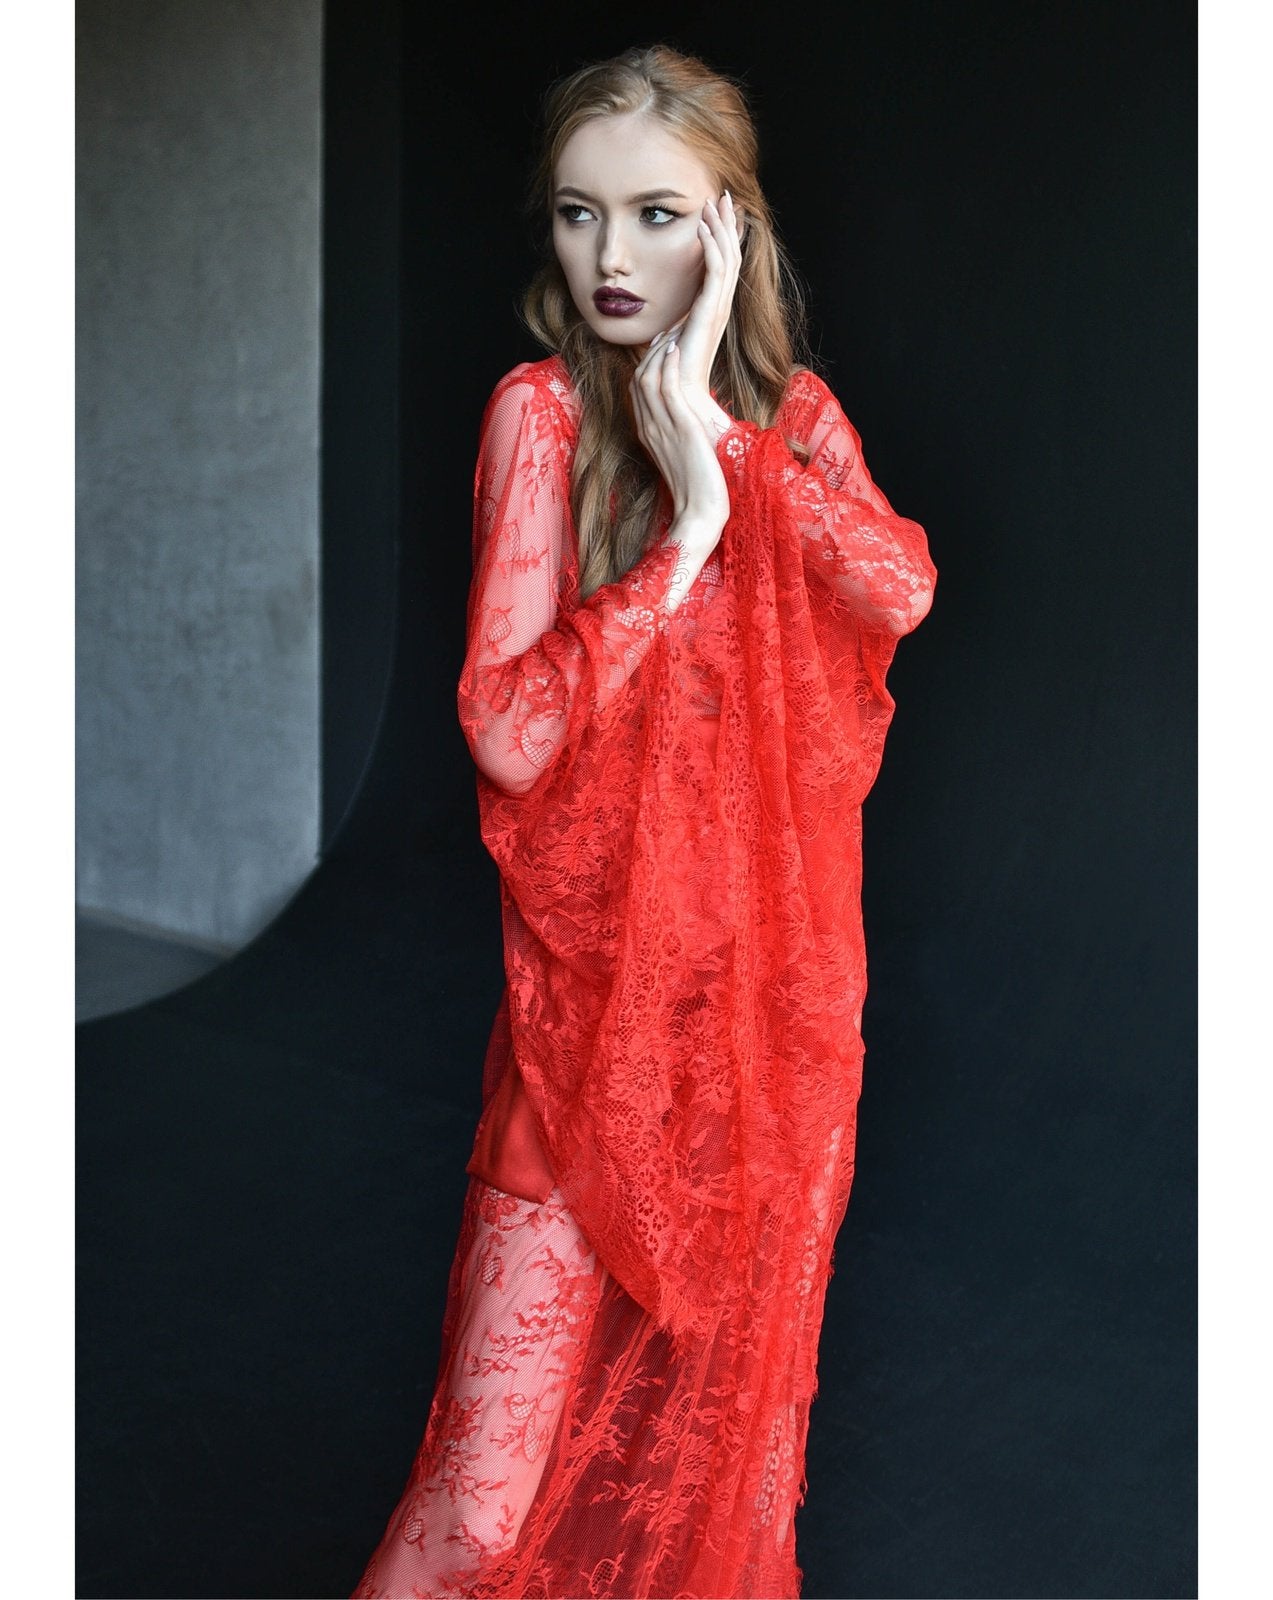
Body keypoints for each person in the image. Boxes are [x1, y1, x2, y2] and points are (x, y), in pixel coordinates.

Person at [352, 42, 935, 1600]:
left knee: (709, 1492)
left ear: (728, 228)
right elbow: (506, 730)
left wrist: (722, 443)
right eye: (576, 213)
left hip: (756, 1055)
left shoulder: (792, 419)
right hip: (584, 1042)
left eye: (657, 214)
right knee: (479, 1507)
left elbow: (898, 587)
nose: (609, 257)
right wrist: (683, 545)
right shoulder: (537, 415)